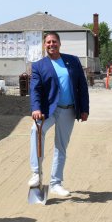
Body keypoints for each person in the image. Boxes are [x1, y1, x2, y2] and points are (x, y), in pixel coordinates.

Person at [28, 32, 90, 197]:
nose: (51, 45)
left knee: (60, 147)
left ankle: (56, 183)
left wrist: (84, 109)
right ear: (44, 45)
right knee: (35, 131)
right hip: (48, 111)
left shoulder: (73, 61)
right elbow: (35, 90)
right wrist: (36, 108)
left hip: (68, 110)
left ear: (59, 43)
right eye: (48, 42)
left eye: (54, 42)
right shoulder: (39, 66)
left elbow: (82, 86)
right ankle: (36, 173)